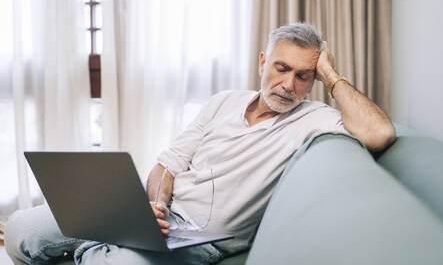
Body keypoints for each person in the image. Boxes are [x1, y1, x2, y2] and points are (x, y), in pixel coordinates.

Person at [5, 23, 395, 265]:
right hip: (159, 217)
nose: (289, 85)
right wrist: (156, 204)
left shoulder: (315, 119)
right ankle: (100, 241)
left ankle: (90, 249)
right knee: (23, 230)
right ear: (263, 61)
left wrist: (330, 73)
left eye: (303, 75)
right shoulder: (222, 101)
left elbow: (379, 134)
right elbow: (167, 165)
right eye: (281, 68)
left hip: (205, 241)